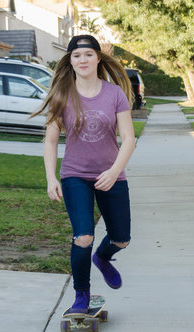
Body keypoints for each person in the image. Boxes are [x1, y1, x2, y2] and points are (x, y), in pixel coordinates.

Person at [35, 34, 135, 313]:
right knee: (83, 236)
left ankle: (102, 258)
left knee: (121, 239)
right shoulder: (62, 94)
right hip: (75, 175)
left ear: (97, 58)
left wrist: (115, 171)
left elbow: (128, 139)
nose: (83, 60)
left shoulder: (114, 93)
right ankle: (81, 296)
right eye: (77, 55)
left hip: (111, 175)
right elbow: (51, 140)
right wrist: (51, 177)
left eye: (88, 54)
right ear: (70, 60)